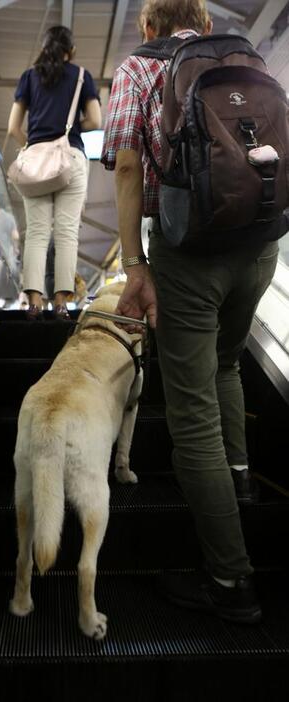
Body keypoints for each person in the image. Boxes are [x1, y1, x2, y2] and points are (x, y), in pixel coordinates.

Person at [101, 0, 279, 623]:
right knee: (227, 363)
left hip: (187, 253)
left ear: (148, 26)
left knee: (192, 411)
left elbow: (126, 165)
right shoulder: (245, 59)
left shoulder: (138, 68)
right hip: (261, 246)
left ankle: (231, 582)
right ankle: (242, 479)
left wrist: (135, 266)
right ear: (203, 26)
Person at [8, 25, 101, 320]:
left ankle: (34, 302)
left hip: (36, 162)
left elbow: (13, 128)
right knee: (66, 233)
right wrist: (70, 131)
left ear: (44, 48)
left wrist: (34, 146)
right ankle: (61, 303)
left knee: (35, 233)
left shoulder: (29, 77)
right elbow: (97, 120)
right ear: (70, 51)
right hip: (70, 158)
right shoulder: (82, 76)